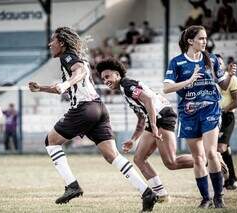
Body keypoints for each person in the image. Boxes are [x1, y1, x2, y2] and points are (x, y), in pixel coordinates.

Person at [28, 26, 157, 212]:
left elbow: (78, 72)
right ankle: (147, 193)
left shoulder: (68, 56)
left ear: (62, 43)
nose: (50, 44)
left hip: (84, 109)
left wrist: (66, 83)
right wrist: (41, 88)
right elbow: (72, 81)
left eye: (53, 41)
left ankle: (72, 185)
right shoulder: (73, 57)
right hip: (98, 108)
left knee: (51, 141)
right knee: (112, 155)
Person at [96, 58, 194, 202]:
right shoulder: (124, 89)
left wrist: (154, 126)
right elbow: (142, 118)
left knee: (171, 162)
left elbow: (148, 99)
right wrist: (133, 139)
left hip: (162, 117)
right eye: (103, 79)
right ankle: (162, 195)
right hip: (155, 119)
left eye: (107, 76)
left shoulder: (126, 84)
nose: (105, 81)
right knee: (139, 159)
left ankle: (210, 159)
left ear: (117, 74)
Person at [163, 25, 236, 208]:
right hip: (188, 113)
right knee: (198, 158)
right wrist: (188, 81)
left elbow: (224, 85)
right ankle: (206, 198)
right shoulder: (177, 62)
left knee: (211, 152)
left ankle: (218, 197)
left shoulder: (212, 59)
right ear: (190, 41)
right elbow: (167, 88)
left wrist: (230, 74)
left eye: (205, 38)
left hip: (210, 110)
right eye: (201, 38)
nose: (205, 41)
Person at [215, 54, 237, 190]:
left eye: (220, 63)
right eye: (215, 63)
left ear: (223, 65)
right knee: (221, 150)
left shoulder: (232, 79)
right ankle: (231, 178)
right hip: (213, 117)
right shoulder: (210, 80)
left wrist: (224, 109)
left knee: (220, 148)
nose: (217, 65)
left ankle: (229, 179)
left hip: (227, 117)